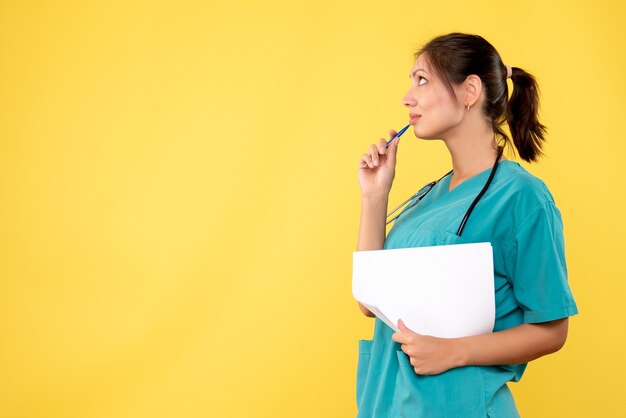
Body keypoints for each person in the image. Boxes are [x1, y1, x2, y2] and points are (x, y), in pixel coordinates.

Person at [354, 32, 578, 417]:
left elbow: (552, 330)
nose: (408, 97)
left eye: (421, 80)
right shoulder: (428, 197)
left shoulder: (522, 197)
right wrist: (374, 197)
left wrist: (454, 351)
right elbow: (368, 302)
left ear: (470, 90)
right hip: (388, 405)